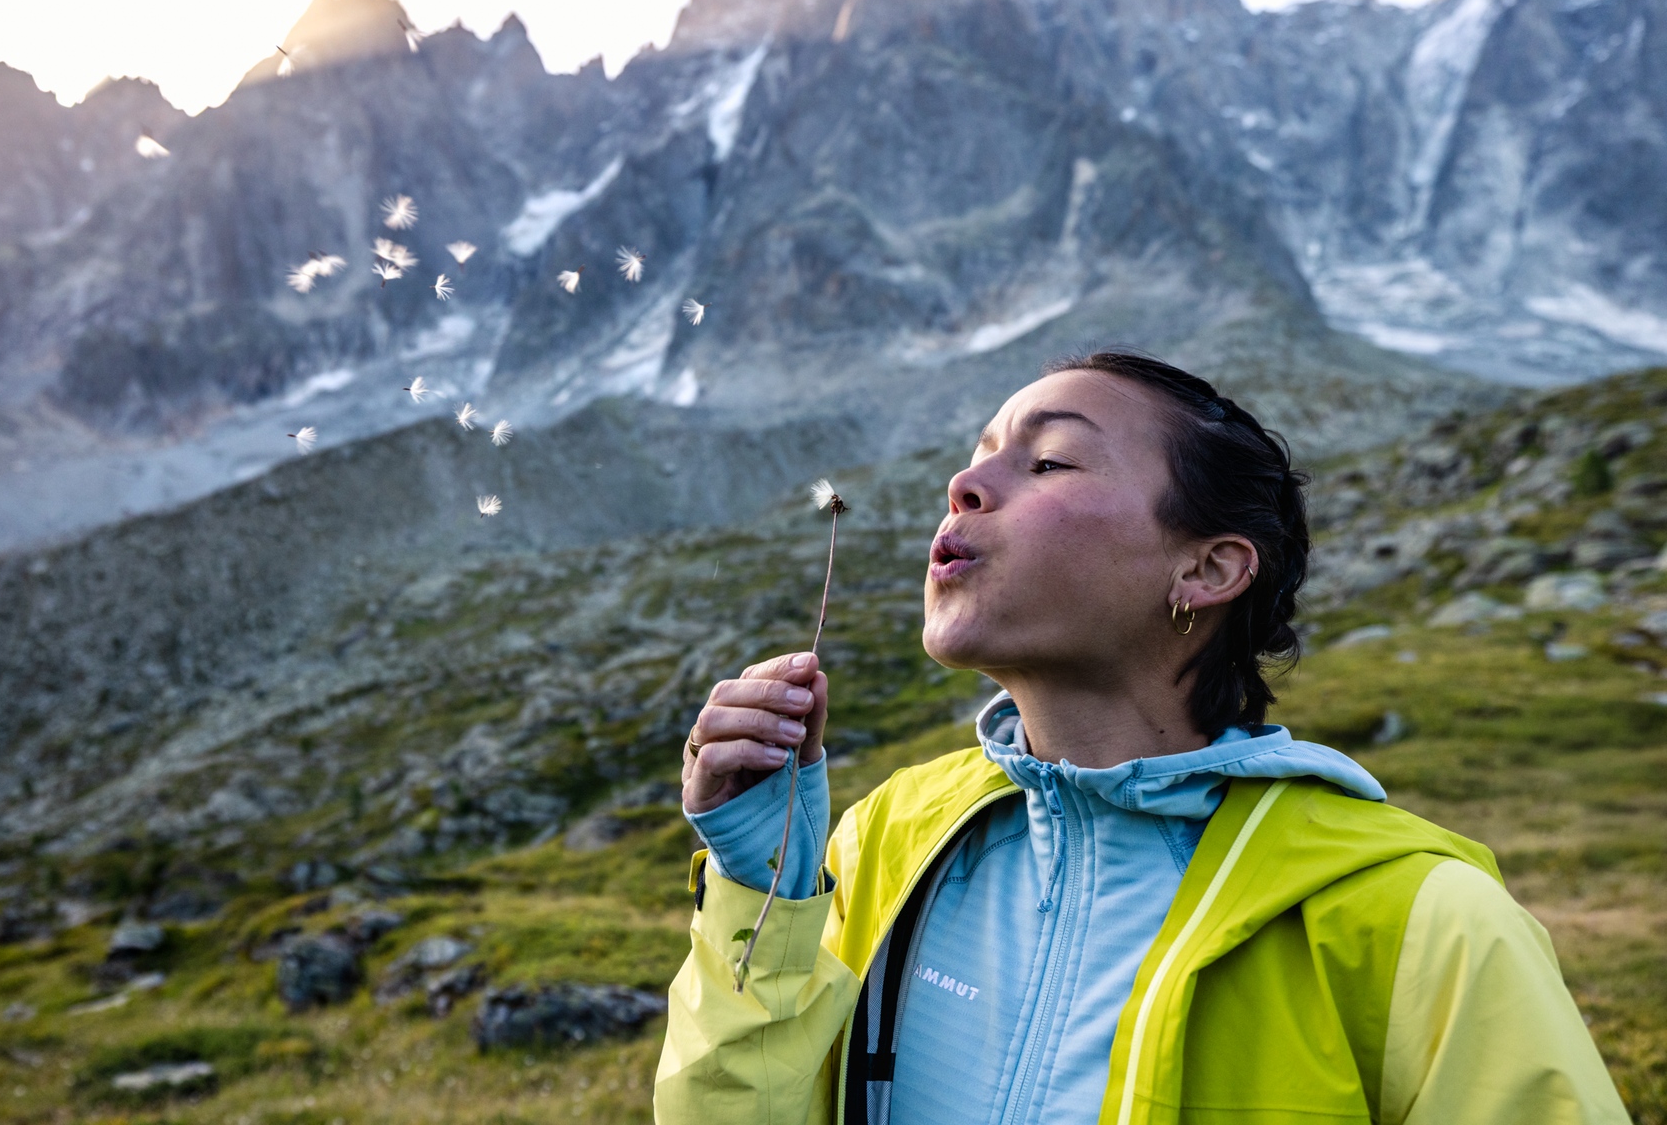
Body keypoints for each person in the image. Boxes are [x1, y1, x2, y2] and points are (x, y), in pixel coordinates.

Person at [655, 353, 1626, 1125]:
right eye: (981, 451)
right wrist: (765, 880)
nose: (965, 482)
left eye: (1049, 460)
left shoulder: (1425, 923)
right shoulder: (884, 838)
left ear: (1206, 568)